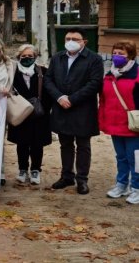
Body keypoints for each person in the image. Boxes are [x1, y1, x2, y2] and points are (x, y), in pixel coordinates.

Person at [44, 27, 103, 195]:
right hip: (61, 107)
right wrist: (59, 97)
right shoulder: (57, 58)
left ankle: (82, 179)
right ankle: (66, 176)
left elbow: (94, 83)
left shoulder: (94, 59)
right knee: (65, 144)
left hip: (83, 108)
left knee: (83, 145)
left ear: (84, 41)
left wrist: (72, 99)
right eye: (68, 38)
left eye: (75, 39)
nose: (70, 41)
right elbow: (48, 80)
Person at [98, 41, 139, 204]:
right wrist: (103, 121)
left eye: (121, 54)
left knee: (135, 158)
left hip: (133, 125)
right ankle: (121, 184)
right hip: (115, 124)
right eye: (115, 53)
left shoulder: (137, 75)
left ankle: (136, 188)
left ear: (130, 56)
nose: (117, 56)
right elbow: (103, 100)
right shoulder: (109, 75)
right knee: (121, 157)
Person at [7, 45, 52, 185]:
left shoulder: (43, 72)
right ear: (19, 56)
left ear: (35, 57)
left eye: (30, 56)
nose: (26, 58)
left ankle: (35, 170)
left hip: (39, 114)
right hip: (20, 112)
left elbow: (49, 91)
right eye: (23, 56)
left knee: (37, 144)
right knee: (22, 143)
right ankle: (22, 169)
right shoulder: (12, 73)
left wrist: (44, 108)